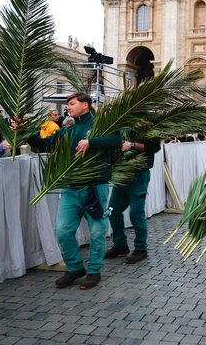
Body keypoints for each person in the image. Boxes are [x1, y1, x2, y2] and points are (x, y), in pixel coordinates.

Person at [22, 93, 121, 290]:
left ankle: (94, 271)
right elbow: (43, 145)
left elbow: (116, 140)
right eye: (67, 104)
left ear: (85, 105)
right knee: (62, 230)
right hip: (70, 188)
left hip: (94, 187)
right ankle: (75, 267)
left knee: (96, 232)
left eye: (72, 104)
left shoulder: (101, 124)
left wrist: (90, 142)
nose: (68, 107)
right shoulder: (67, 130)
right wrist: (25, 131)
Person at [104, 134, 161, 264]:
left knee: (136, 212)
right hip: (122, 173)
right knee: (112, 210)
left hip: (139, 173)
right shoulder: (122, 120)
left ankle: (141, 249)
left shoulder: (148, 121)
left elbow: (155, 147)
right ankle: (120, 246)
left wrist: (132, 145)